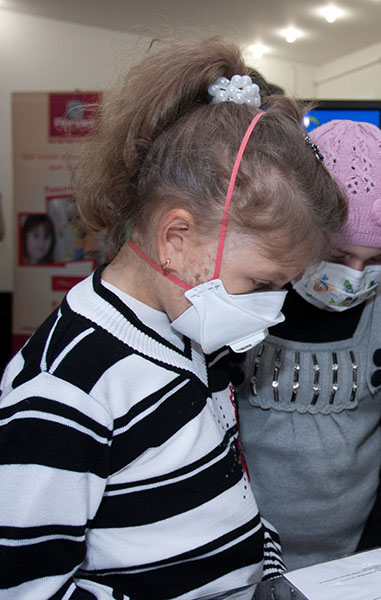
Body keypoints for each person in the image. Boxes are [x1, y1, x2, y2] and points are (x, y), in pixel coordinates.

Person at [0, 38, 347, 599]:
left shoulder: (194, 330)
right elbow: (27, 586)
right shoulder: (68, 385)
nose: (272, 308)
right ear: (176, 239)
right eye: (261, 284)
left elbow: (227, 490)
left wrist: (266, 568)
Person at [234, 120, 381, 570]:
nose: (354, 277)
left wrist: (369, 563)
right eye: (338, 256)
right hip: (239, 555)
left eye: (377, 260)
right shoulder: (246, 298)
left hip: (354, 555)